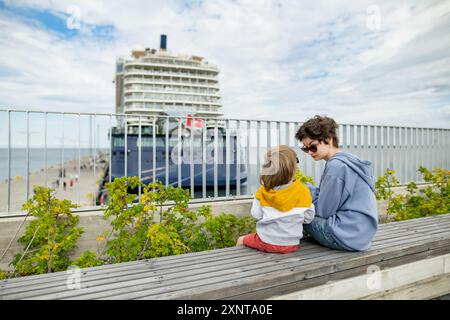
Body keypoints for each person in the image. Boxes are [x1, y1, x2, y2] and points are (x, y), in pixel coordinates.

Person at [295, 115, 378, 251]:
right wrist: (310, 191)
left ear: (328, 139)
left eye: (313, 147)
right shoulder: (349, 160)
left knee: (298, 212)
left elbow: (324, 211)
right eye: (305, 149)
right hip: (361, 235)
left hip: (345, 235)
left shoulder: (336, 167)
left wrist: (301, 193)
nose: (309, 152)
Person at [236, 145, 315, 253]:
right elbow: (308, 218)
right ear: (293, 168)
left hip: (265, 242)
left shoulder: (263, 192)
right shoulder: (303, 191)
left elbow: (256, 215)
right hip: (291, 245)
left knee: (241, 239)